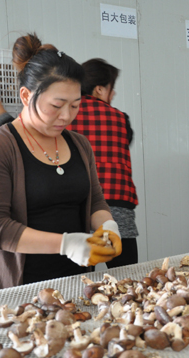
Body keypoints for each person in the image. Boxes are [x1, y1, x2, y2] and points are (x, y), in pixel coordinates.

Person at [0, 33, 123, 293]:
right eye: (57, 105)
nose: (66, 116)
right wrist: (66, 244)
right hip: (18, 288)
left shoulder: (80, 145)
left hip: (75, 283)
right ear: (26, 96)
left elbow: (95, 200)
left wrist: (108, 226)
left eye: (75, 106)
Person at [66, 58, 139, 268]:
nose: (113, 93)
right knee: (126, 276)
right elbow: (126, 141)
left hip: (81, 206)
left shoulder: (67, 115)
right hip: (118, 206)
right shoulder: (121, 119)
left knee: (81, 279)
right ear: (99, 89)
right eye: (111, 88)